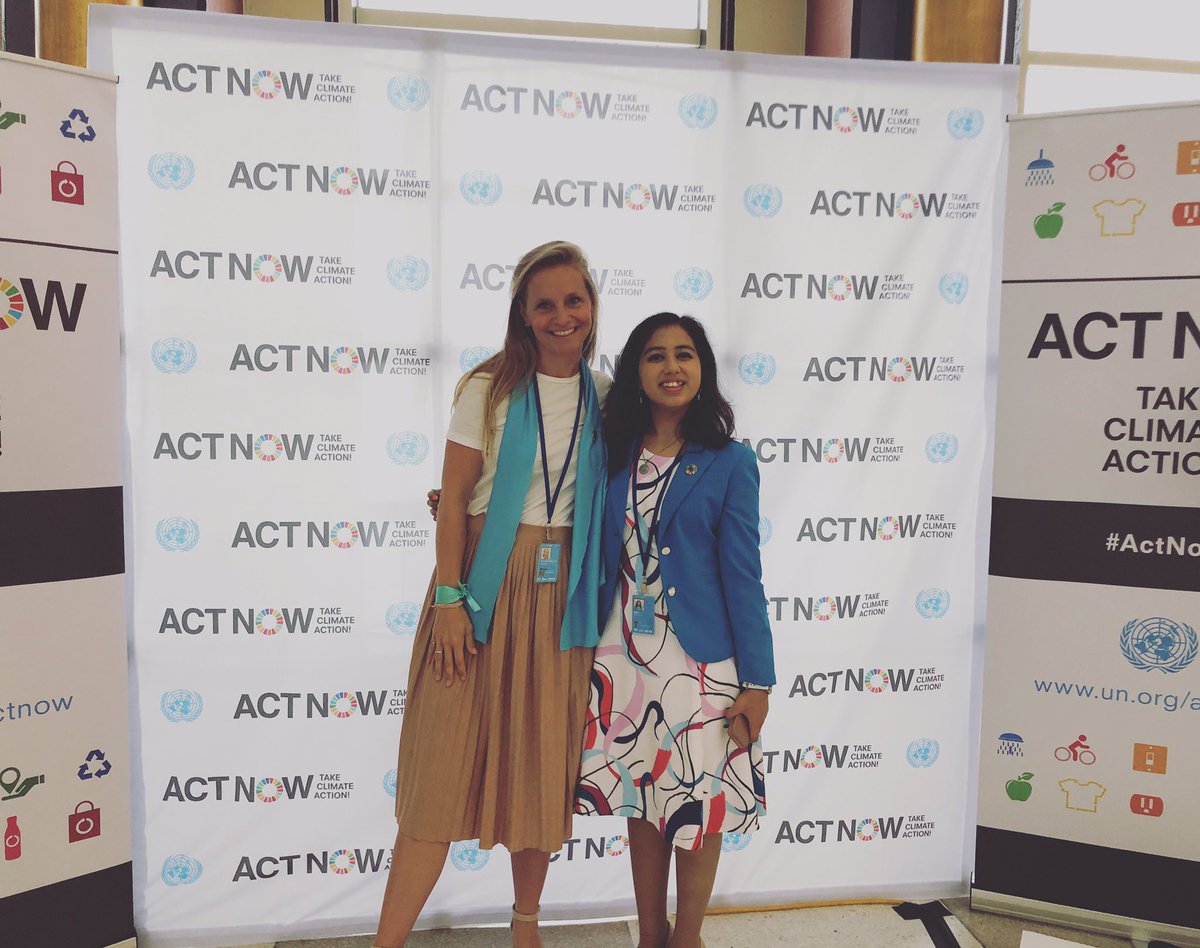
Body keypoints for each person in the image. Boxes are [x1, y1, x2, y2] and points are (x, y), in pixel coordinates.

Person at [374, 240, 610, 948]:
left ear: (593, 305)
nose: (563, 315)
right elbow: (452, 500)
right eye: (546, 304)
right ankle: (387, 941)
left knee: (540, 764)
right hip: (479, 590)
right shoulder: (489, 386)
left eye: (575, 299)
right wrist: (449, 598)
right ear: (523, 314)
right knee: (438, 769)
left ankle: (525, 926)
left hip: (563, 596)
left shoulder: (609, 390)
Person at [575, 312, 775, 948]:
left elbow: (745, 577)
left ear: (703, 370)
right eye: (656, 355)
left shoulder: (730, 462)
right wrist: (465, 502)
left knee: (699, 803)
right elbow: (545, 502)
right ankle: (650, 936)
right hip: (622, 658)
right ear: (636, 370)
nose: (671, 367)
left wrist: (759, 682)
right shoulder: (608, 455)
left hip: (702, 663)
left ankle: (687, 937)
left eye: (685, 355)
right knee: (641, 797)